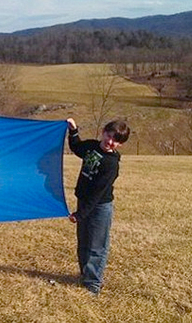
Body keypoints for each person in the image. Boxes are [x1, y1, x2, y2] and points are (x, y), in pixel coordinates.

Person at [66, 118, 130, 296]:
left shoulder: (111, 164)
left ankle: (93, 283)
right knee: (83, 242)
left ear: (120, 144)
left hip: (99, 207)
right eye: (109, 136)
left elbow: (97, 194)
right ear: (103, 132)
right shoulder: (92, 147)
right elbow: (77, 147)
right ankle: (84, 275)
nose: (110, 141)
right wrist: (73, 131)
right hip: (84, 203)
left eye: (116, 140)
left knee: (97, 246)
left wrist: (80, 214)